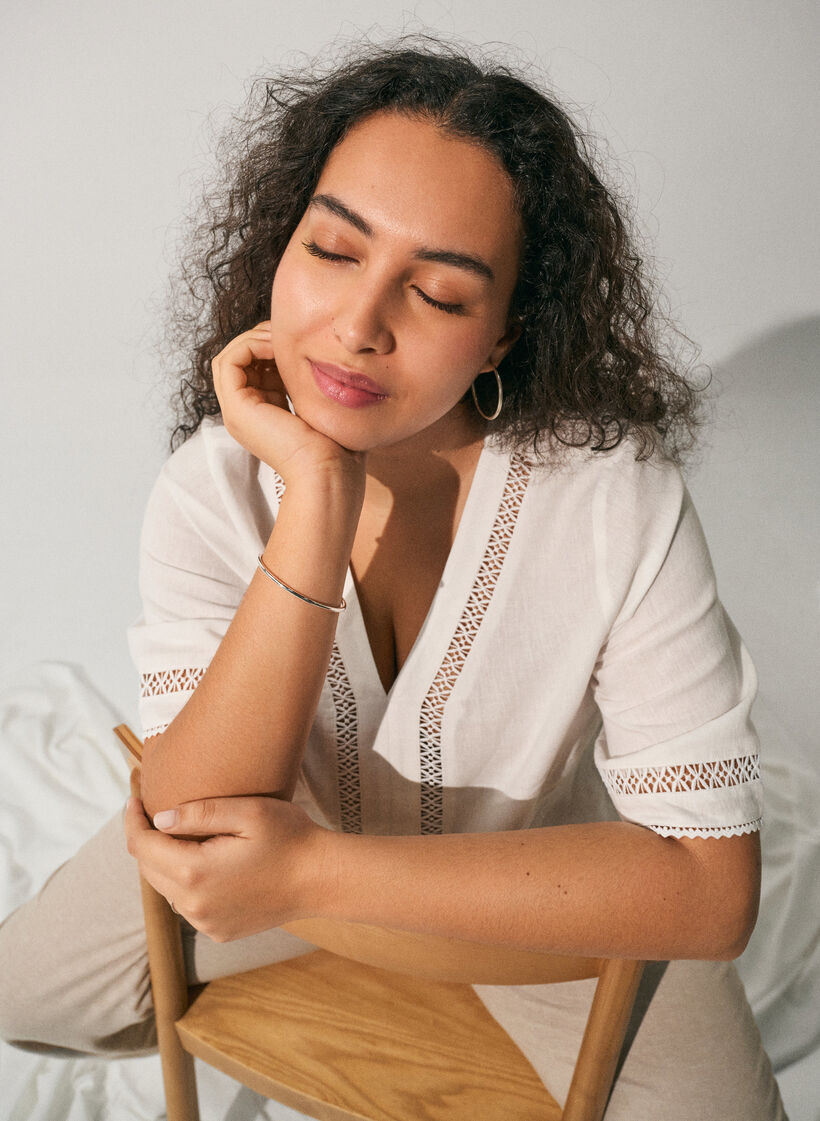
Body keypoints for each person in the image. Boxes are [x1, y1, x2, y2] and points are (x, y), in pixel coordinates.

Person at [0, 40, 786, 1117]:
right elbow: (195, 814)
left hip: (532, 902)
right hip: (266, 869)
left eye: (438, 294)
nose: (359, 326)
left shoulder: (616, 499)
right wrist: (316, 498)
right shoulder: (214, 485)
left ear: (503, 334)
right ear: (283, 243)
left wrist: (310, 876)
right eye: (333, 249)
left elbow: (709, 891)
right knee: (21, 989)